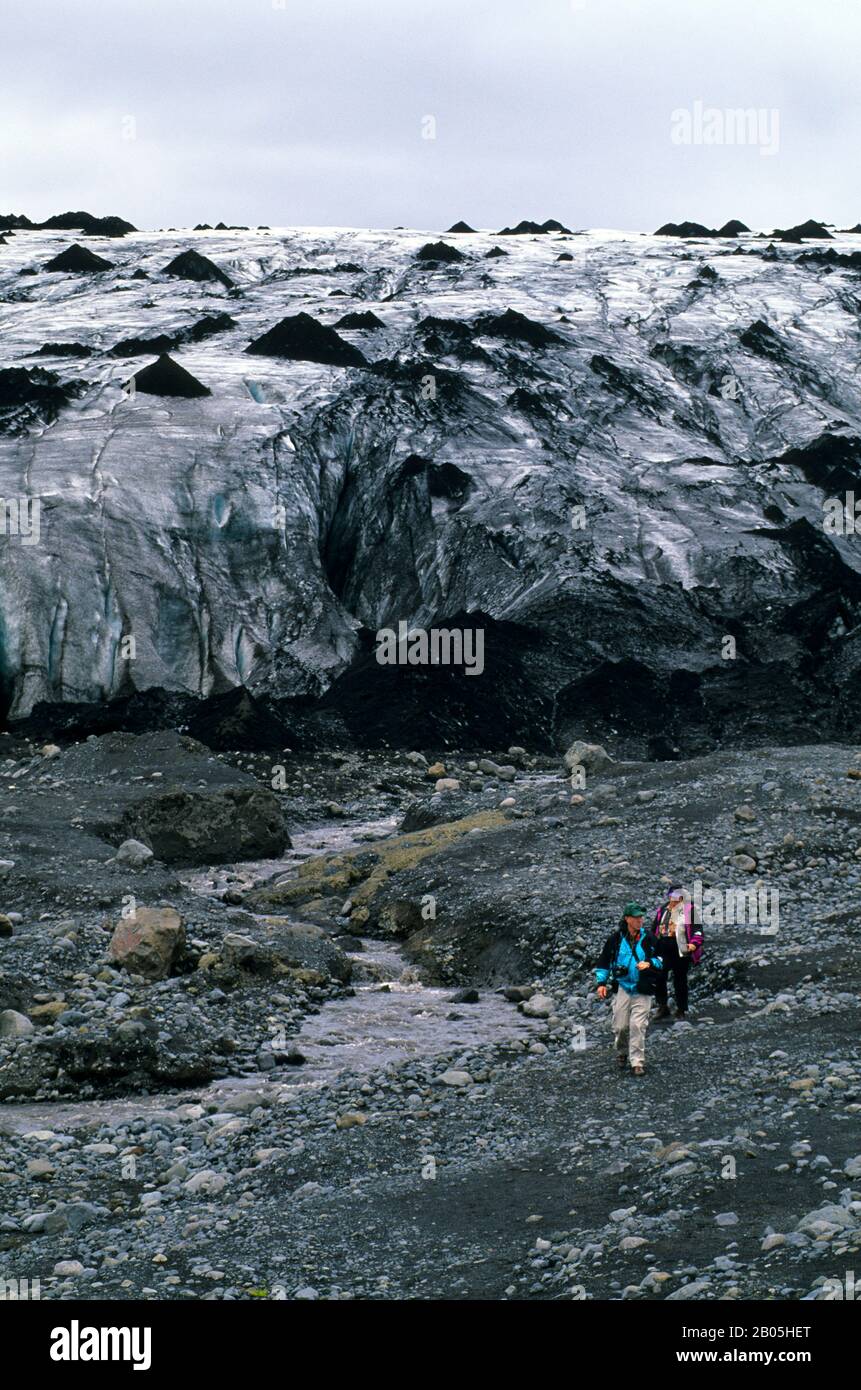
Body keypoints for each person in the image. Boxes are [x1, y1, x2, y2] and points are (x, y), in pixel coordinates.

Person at [595, 901, 663, 1075]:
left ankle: (637, 1062)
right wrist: (601, 983)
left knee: (637, 1025)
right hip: (623, 987)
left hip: (643, 988)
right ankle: (622, 1052)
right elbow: (604, 962)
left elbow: (661, 960)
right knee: (620, 1027)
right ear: (627, 919)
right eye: (636, 917)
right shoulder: (615, 940)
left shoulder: (649, 938)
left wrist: (649, 964)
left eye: (641, 917)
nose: (640, 920)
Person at [653, 883, 703, 1020]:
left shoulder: (690, 911)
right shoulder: (663, 910)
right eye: (672, 896)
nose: (674, 900)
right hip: (663, 946)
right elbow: (654, 929)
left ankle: (681, 1009)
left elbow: (697, 930)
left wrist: (694, 944)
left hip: (681, 947)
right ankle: (662, 1006)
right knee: (659, 975)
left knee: (680, 979)